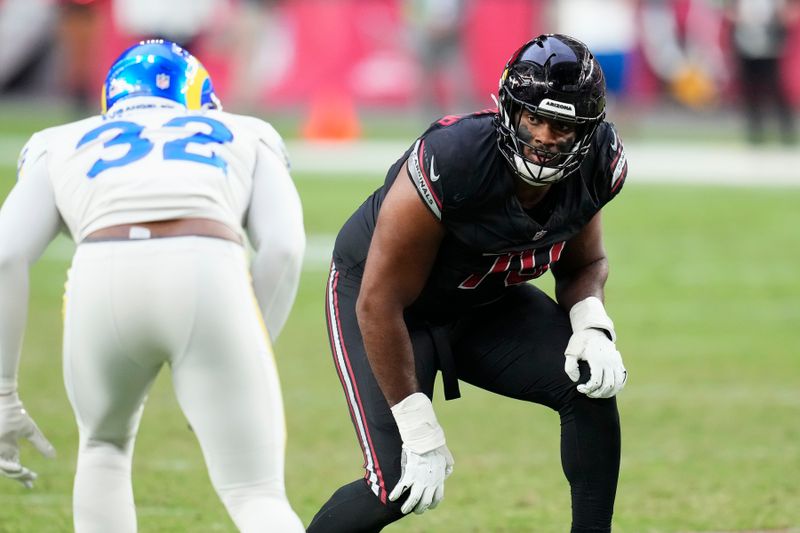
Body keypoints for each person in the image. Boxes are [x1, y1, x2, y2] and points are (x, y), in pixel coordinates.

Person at [307, 34, 628, 532]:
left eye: (561, 125)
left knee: (588, 388)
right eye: (534, 119)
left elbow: (583, 263)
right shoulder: (453, 159)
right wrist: (417, 427)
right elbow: (379, 301)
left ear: (586, 130)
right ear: (508, 111)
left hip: (481, 299)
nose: (544, 135)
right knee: (395, 483)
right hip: (389, 305)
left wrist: (590, 323)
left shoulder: (596, 164)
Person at [0, 40, 305, 532]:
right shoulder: (246, 131)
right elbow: (285, 248)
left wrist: (4, 393)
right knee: (255, 493)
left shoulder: (61, 139)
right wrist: (252, 345)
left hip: (100, 272)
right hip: (207, 264)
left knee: (103, 448)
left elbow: (6, 255)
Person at [725, 0, 799, 144]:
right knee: (750, 92)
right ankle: (756, 132)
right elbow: (731, 13)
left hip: (770, 48)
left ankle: (787, 132)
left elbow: (787, 14)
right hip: (746, 46)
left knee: (776, 90)